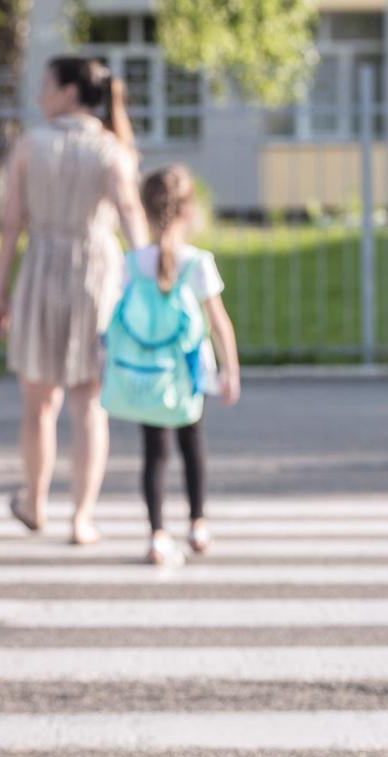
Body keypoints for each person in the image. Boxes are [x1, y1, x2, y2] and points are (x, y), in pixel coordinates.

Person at [0, 56, 148, 544]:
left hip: (40, 270)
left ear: (71, 92)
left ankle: (35, 502)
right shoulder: (112, 149)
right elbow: (132, 218)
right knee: (89, 403)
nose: (40, 97)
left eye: (47, 87)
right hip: (98, 273)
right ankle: (82, 518)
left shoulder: (30, 145)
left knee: (39, 404)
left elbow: (12, 223)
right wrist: (145, 284)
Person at [132, 165, 240, 565]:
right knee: (192, 444)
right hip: (191, 372)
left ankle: (157, 534)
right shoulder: (198, 261)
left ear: (144, 210)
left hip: (147, 372)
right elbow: (219, 321)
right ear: (189, 210)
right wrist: (231, 369)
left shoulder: (134, 262)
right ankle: (198, 523)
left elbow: (115, 319)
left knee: (154, 452)